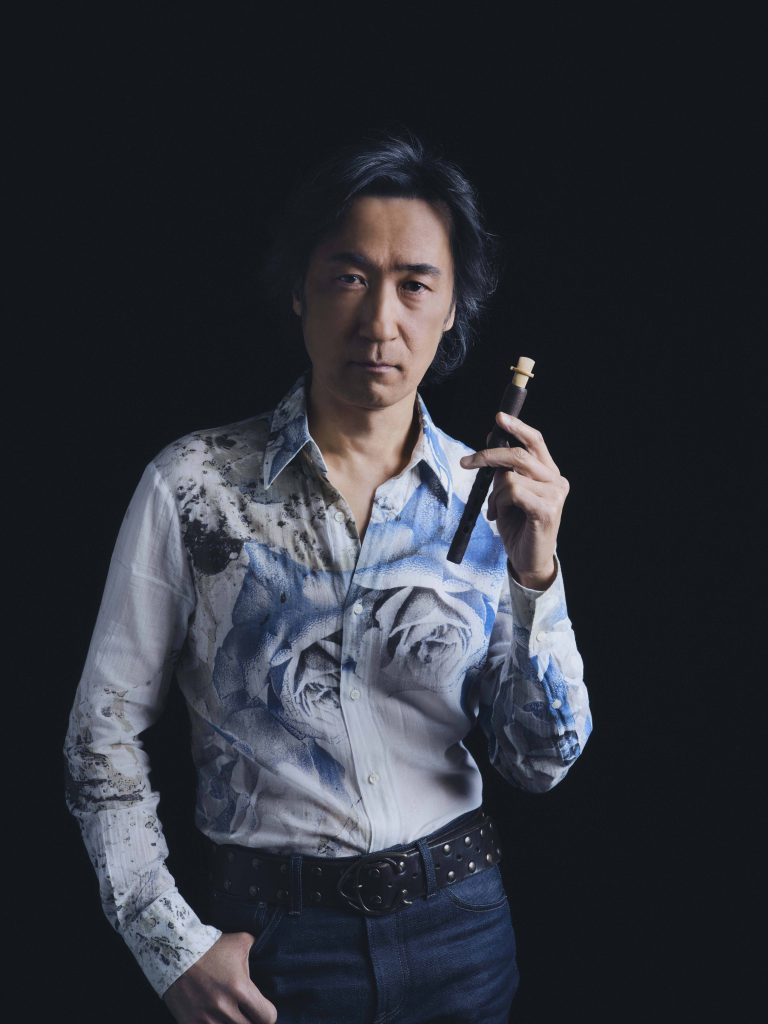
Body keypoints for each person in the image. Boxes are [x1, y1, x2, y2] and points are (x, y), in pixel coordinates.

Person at [63, 130, 592, 1024]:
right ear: (299, 289)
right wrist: (170, 944)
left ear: (453, 307)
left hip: (462, 929)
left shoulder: (493, 499)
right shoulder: (194, 487)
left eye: (415, 284)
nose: (380, 322)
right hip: (276, 942)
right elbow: (100, 737)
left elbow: (539, 761)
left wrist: (536, 571)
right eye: (349, 276)